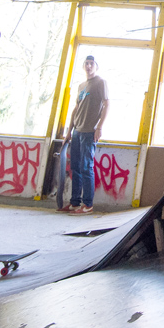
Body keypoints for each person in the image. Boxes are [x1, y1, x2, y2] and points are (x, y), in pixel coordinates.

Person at [61, 54, 109, 215]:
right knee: (75, 167)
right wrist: (69, 131)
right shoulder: (82, 85)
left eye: (91, 63)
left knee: (86, 167)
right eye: (86, 63)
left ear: (96, 66)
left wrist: (99, 127)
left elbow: (107, 104)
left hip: (89, 131)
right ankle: (75, 202)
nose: (88, 66)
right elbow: (76, 108)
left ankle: (88, 204)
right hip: (77, 131)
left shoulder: (100, 83)